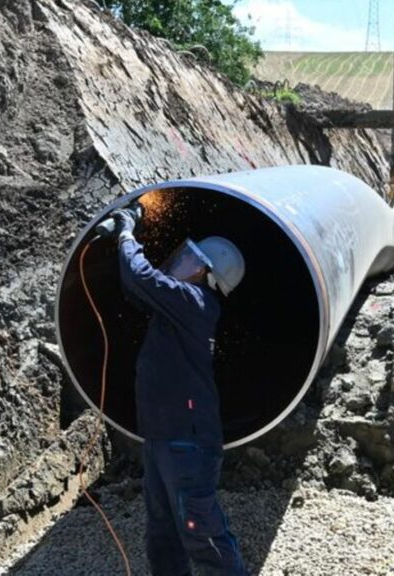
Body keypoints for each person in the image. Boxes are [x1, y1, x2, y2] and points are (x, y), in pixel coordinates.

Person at [109, 206, 249, 576]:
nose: (182, 261)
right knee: (164, 534)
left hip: (186, 442)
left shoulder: (194, 303)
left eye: (190, 259)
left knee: (201, 534)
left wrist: (127, 233)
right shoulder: (180, 306)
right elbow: (136, 289)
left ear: (205, 272)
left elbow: (139, 276)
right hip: (163, 437)